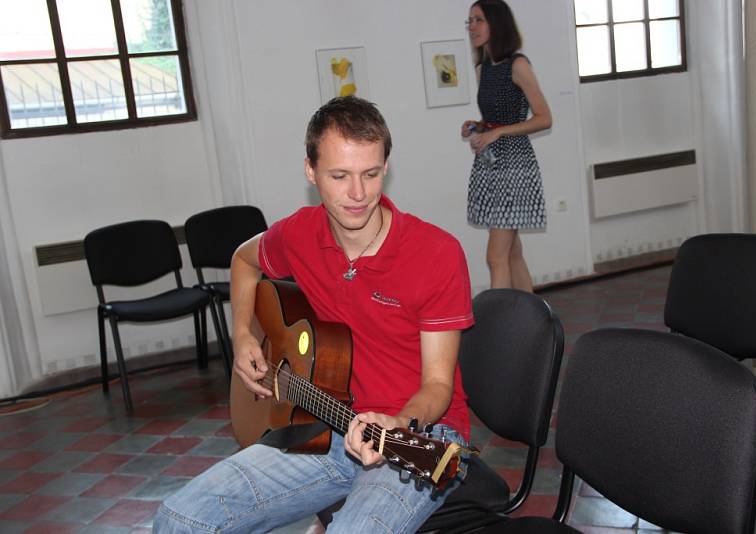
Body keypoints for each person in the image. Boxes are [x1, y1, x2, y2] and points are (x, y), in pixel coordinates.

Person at [154, 96, 474, 533]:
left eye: (371, 174)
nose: (358, 194)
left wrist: (397, 421)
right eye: (339, 176)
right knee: (179, 519)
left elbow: (438, 385)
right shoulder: (299, 234)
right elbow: (243, 262)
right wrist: (243, 336)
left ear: (386, 166)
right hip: (326, 425)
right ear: (310, 170)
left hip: (418, 435)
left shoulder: (436, 254)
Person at [461, 0, 552, 291]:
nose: (472, 27)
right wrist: (477, 126)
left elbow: (544, 118)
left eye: (479, 20)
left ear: (497, 24)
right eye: (470, 21)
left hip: (514, 166)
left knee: (495, 256)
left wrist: (498, 133)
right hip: (491, 165)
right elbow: (495, 119)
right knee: (511, 252)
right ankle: (536, 318)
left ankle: (501, 327)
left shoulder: (518, 64)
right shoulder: (483, 68)